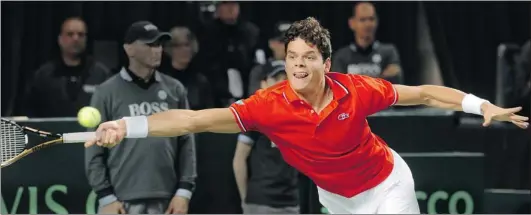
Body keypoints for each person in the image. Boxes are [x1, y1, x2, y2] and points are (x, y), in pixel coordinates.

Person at [85, 17, 529, 214]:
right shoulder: (269, 105)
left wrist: (480, 104)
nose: (298, 64)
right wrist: (128, 126)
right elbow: (193, 120)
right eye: (292, 56)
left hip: (388, 182)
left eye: (309, 56)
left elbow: (428, 95)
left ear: (326, 62)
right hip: (338, 200)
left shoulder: (357, 90)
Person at [85, 21, 197, 214]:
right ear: (129, 49)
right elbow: (94, 150)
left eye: (159, 45)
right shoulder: (106, 92)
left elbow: (187, 143)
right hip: (120, 201)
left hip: (168, 200)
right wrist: (106, 197)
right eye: (150, 44)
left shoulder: (175, 89)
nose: (157, 50)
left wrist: (183, 192)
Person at [233, 64, 300, 214]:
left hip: (291, 202)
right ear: (263, 84)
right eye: (276, 78)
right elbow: (239, 160)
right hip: (261, 202)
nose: (282, 83)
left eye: (286, 78)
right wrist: (245, 198)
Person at [21, 17, 111, 117]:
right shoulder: (43, 75)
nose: (75, 38)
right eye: (70, 34)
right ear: (60, 39)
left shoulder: (100, 74)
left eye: (81, 35)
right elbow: (30, 112)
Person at [332, 2, 403, 84]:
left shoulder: (389, 52)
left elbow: (395, 80)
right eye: (362, 20)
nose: (367, 24)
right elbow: (339, 86)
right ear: (352, 23)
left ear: (377, 21)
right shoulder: (341, 56)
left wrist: (355, 83)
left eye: (371, 19)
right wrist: (380, 78)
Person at [161, 26, 214, 110]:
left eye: (187, 45)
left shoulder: (201, 81)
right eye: (178, 46)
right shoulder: (161, 81)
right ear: (170, 49)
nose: (184, 49)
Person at [247, 21, 291, 96]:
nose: (288, 45)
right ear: (271, 43)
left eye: (292, 41)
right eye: (283, 41)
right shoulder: (260, 71)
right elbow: (254, 103)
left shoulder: (306, 68)